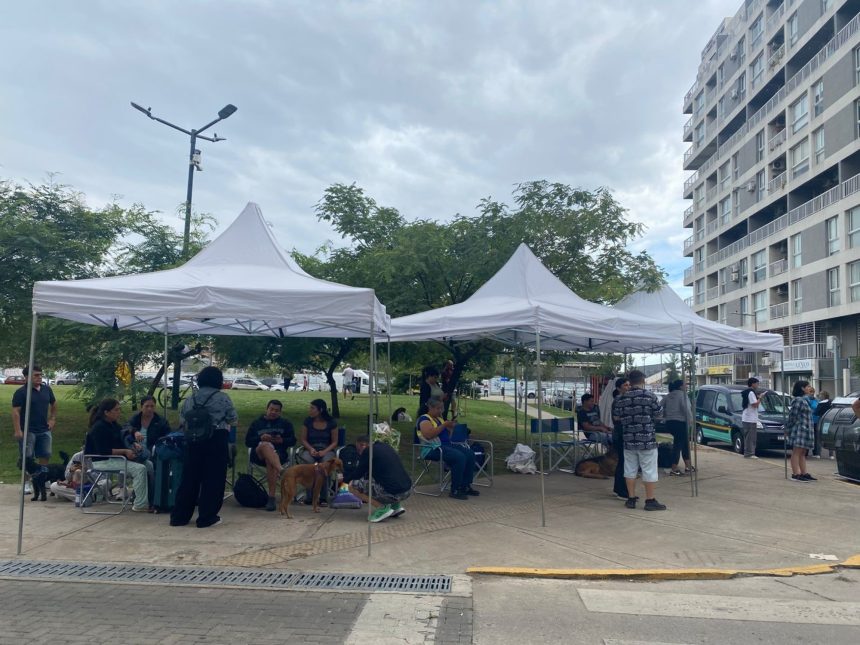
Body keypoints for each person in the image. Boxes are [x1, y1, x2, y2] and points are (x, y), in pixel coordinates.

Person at [170, 366, 238, 528]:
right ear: (218, 380)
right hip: (216, 440)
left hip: (193, 441)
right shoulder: (223, 398)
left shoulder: (190, 399)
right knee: (213, 479)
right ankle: (207, 517)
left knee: (189, 478)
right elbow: (233, 419)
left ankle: (179, 517)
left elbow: (182, 421)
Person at [613, 370, 666, 511]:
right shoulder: (650, 396)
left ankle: (631, 498)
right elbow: (659, 414)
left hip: (628, 439)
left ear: (630, 381)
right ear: (643, 380)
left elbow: (616, 418)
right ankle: (650, 500)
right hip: (647, 440)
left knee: (629, 470)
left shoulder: (621, 398)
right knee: (649, 470)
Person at [84, 398, 150, 512]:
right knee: (140, 469)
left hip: (114, 459)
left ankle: (151, 498)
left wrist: (133, 444)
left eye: (119, 409)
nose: (119, 412)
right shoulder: (99, 427)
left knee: (148, 464)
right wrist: (125, 452)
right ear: (106, 412)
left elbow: (123, 435)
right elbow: (104, 451)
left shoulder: (113, 424)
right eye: (116, 410)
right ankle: (140, 504)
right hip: (100, 461)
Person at [416, 397, 477, 500]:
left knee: (469, 453)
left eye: (442, 408)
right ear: (430, 407)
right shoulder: (424, 419)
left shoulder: (439, 419)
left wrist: (451, 428)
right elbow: (429, 435)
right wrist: (444, 425)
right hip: (432, 449)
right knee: (459, 457)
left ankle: (465, 485)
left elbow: (447, 437)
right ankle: (455, 489)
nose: (440, 411)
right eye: (438, 408)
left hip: (445, 446)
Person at [11, 365, 57, 495]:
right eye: (36, 375)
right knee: (27, 457)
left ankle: (43, 479)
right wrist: (18, 430)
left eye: (40, 375)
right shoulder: (21, 392)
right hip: (28, 430)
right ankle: (26, 483)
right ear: (26, 377)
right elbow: (15, 411)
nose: (39, 377)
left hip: (44, 429)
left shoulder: (47, 389)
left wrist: (52, 419)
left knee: (45, 454)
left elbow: (54, 404)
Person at [346, 435, 413, 522]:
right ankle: (395, 506)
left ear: (363, 445)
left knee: (353, 485)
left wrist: (345, 479)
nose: (359, 453)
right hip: (407, 490)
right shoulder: (385, 446)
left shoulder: (368, 451)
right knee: (387, 480)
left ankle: (382, 508)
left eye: (358, 450)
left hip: (394, 493)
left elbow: (357, 475)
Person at [246, 399, 296, 511]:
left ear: (280, 412)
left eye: (277, 411)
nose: (273, 412)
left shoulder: (285, 424)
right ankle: (282, 471)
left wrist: (281, 440)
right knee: (265, 445)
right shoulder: (257, 423)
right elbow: (248, 442)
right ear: (267, 409)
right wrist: (260, 438)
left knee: (271, 459)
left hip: (278, 454)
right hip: (259, 454)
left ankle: (271, 498)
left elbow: (293, 440)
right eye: (271, 409)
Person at [299, 398, 339, 504]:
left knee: (325, 465)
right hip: (310, 449)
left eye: (312, 408)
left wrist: (325, 451)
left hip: (326, 449)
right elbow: (303, 439)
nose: (310, 410)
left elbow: (335, 442)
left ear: (320, 410)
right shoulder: (307, 421)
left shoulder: (331, 423)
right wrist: (311, 449)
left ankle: (323, 497)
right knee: (309, 463)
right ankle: (310, 496)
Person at [786, 380, 817, 482]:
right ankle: (796, 473)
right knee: (797, 451)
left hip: (806, 430)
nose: (810, 388)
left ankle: (804, 473)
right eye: (807, 386)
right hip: (800, 429)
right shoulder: (798, 400)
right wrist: (788, 429)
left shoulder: (806, 400)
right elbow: (792, 416)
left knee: (803, 452)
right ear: (802, 388)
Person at [662, 379, 695, 476]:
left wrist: (665, 415)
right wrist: (691, 421)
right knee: (678, 445)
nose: (687, 386)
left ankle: (688, 466)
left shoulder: (668, 395)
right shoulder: (683, 395)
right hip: (680, 423)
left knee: (684, 444)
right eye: (685, 385)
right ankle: (674, 468)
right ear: (680, 386)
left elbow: (660, 406)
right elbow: (686, 409)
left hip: (669, 423)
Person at [610, 377, 630, 500]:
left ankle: (618, 488)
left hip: (622, 433)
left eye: (629, 385)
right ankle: (621, 490)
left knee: (623, 462)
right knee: (623, 462)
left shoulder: (623, 399)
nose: (628, 387)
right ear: (619, 388)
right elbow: (616, 419)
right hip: (620, 434)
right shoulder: (619, 400)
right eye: (625, 385)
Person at [740, 377, 761, 459]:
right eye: (757, 383)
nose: (758, 385)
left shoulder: (749, 392)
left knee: (750, 437)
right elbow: (754, 404)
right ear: (753, 384)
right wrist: (760, 398)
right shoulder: (751, 393)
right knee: (750, 437)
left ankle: (750, 453)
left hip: (749, 418)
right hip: (750, 418)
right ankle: (749, 453)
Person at [813, 390, 832, 458]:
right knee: (829, 436)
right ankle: (831, 455)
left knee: (819, 437)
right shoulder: (831, 402)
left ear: (823, 396)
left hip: (821, 420)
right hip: (829, 420)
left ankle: (818, 454)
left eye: (820, 394)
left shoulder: (821, 403)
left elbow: (816, 412)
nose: (819, 396)